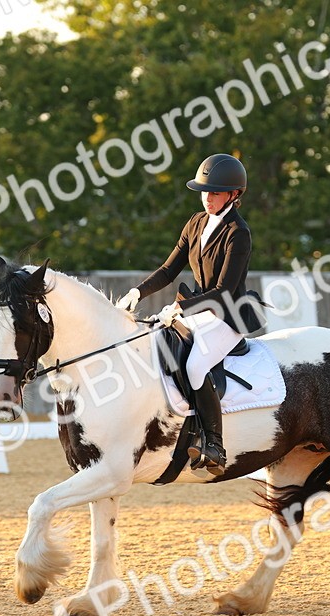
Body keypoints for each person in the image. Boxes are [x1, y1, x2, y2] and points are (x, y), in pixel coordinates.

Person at [116, 153, 263, 476]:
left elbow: (225, 290)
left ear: (234, 195)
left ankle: (214, 443)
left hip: (228, 314)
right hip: (200, 307)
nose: (207, 198)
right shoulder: (196, 222)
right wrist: (138, 292)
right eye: (204, 191)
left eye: (215, 193)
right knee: (156, 342)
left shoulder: (239, 233)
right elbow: (170, 270)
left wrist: (181, 307)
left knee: (196, 365)